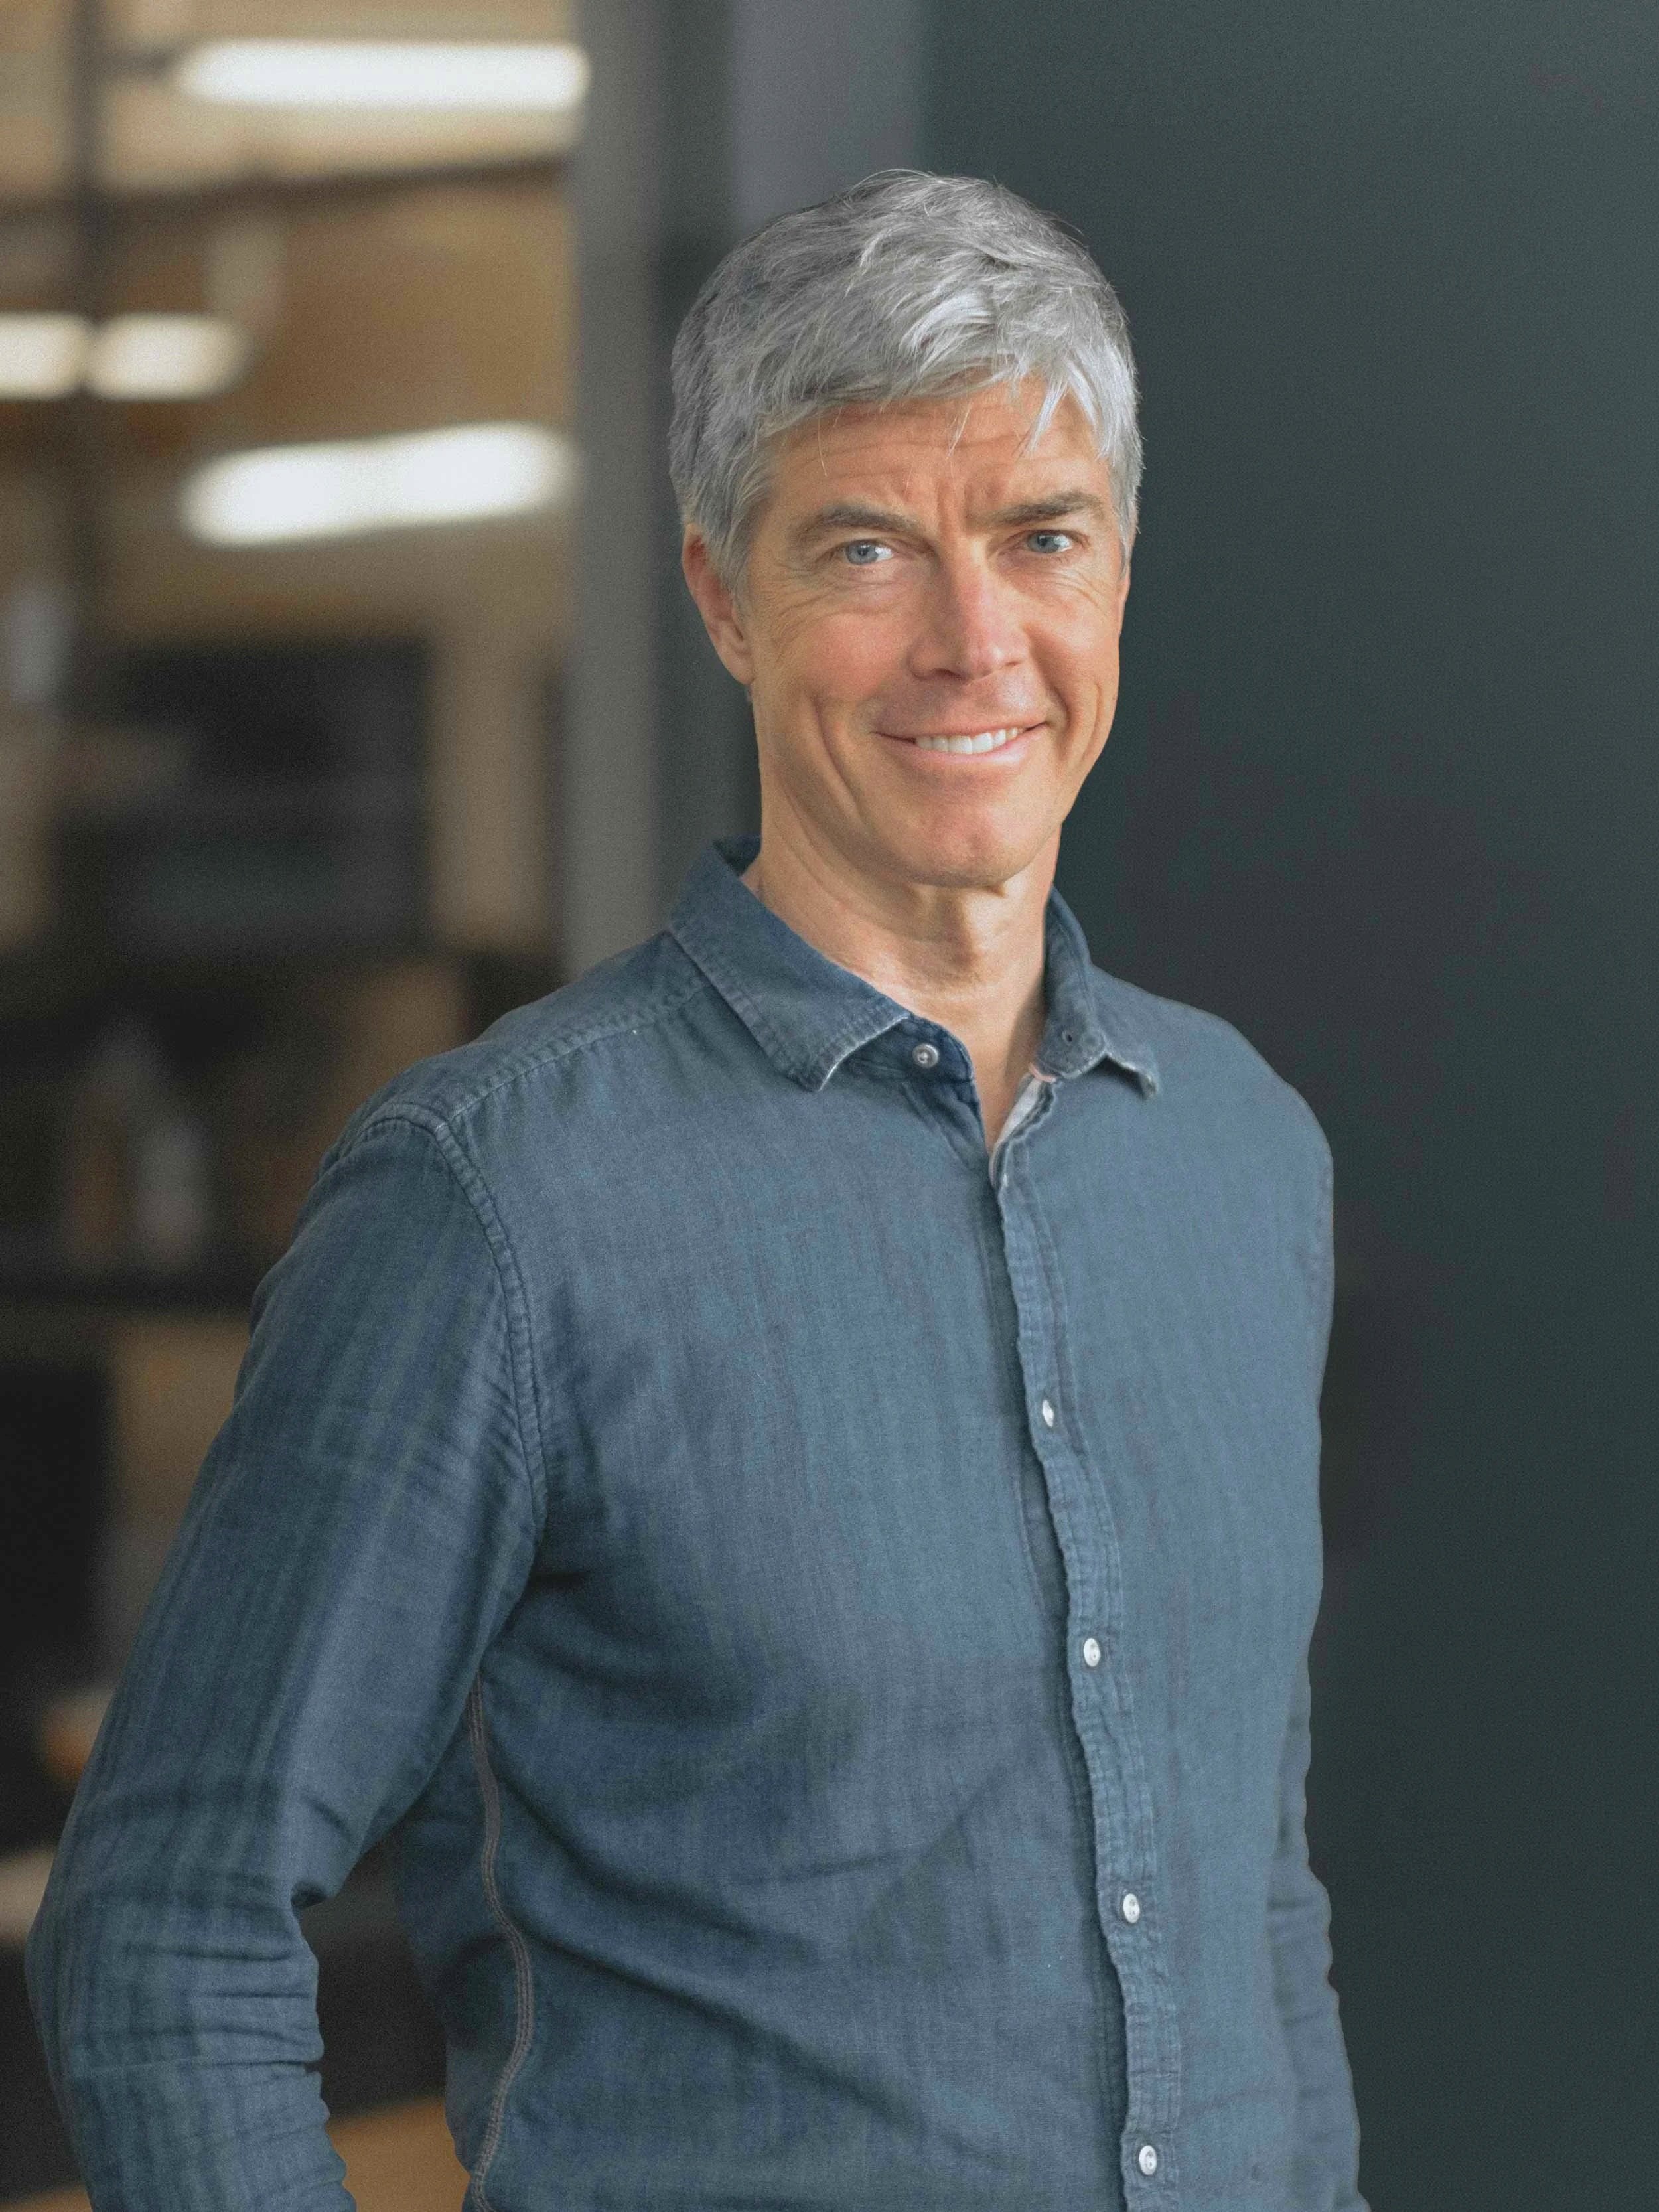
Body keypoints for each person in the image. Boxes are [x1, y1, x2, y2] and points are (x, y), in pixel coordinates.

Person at [29, 171, 1364, 2212]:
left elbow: (1250, 1899)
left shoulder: (1239, 1152)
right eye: (865, 547)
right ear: (723, 598)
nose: (971, 641)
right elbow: (166, 1932)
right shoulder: (494, 1205)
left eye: (1039, 537)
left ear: (1114, 571)